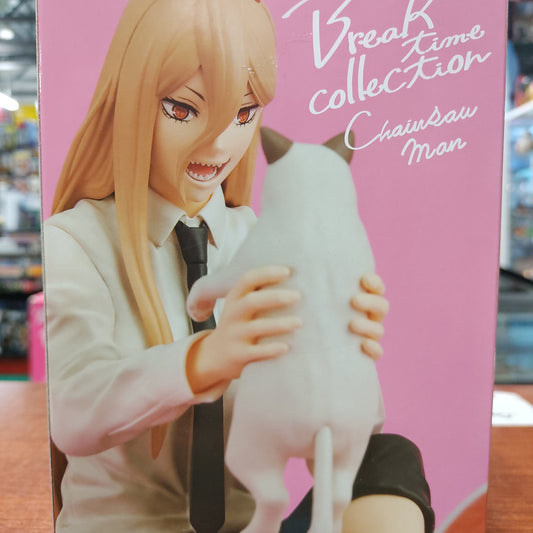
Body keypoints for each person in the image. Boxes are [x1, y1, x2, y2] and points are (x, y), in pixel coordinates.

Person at [44, 0, 434, 531]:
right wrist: (205, 360)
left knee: (391, 460)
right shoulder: (76, 241)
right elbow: (72, 413)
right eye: (183, 109)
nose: (218, 143)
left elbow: (346, 433)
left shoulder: (258, 233)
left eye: (244, 114)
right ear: (132, 101)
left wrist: (344, 351)